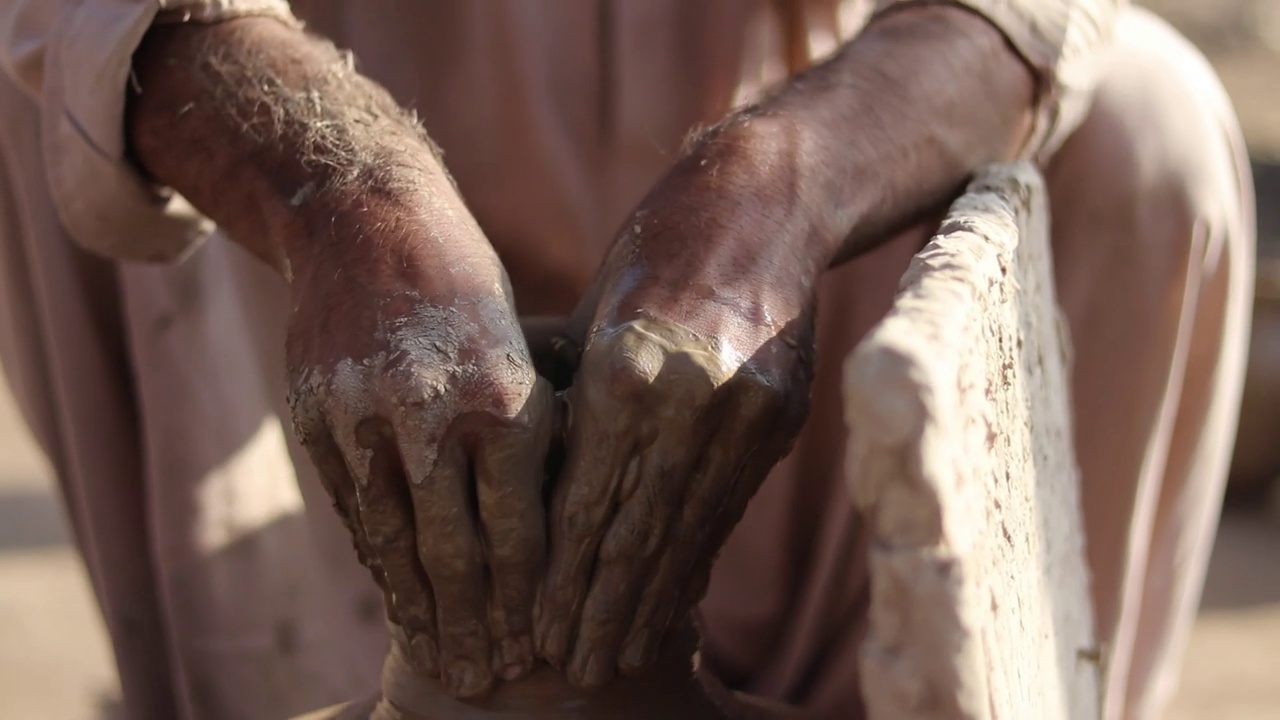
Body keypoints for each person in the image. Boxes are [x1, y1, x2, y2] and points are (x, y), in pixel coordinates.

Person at [0, 0, 1254, 718]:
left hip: (778, 224)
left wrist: (782, 182)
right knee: (52, 79)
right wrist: (338, 184)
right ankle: (256, 676)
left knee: (1149, 119)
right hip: (307, 207)